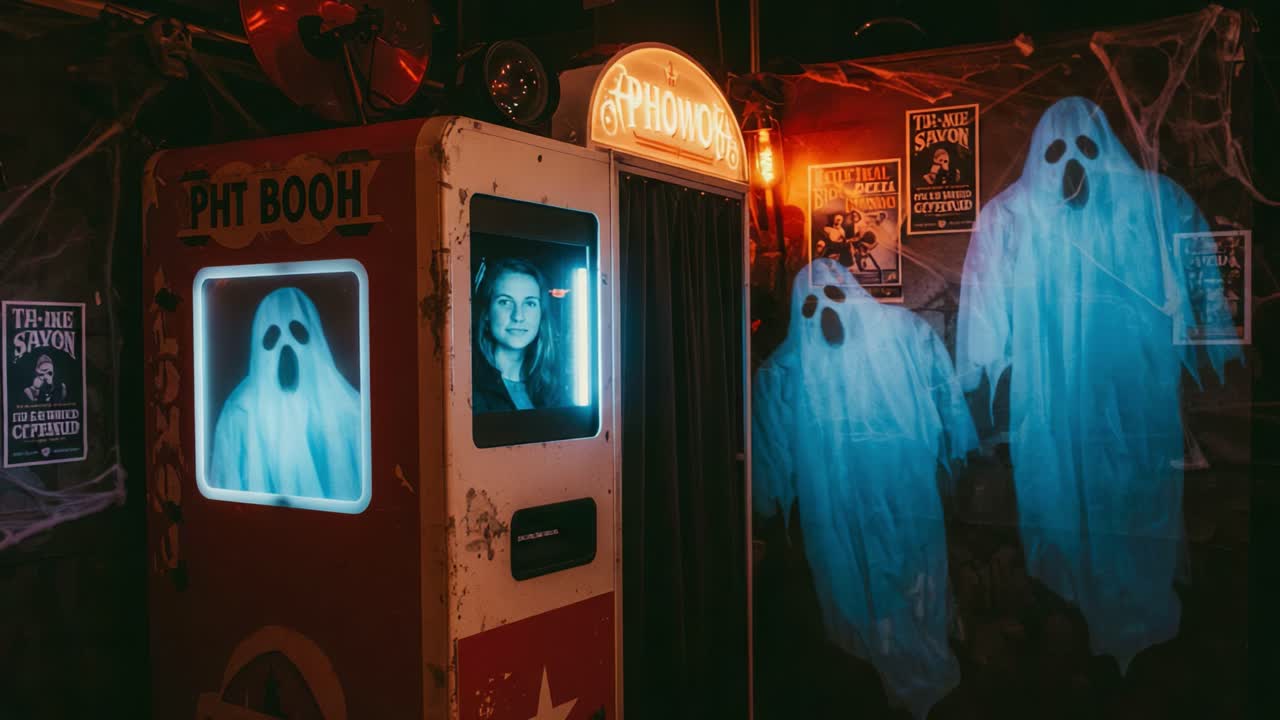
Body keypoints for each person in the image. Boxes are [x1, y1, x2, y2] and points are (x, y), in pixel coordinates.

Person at [472, 257, 568, 413]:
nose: (518, 316)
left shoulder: (552, 389)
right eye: (505, 302)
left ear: (541, 314)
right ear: (487, 313)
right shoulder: (466, 390)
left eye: (530, 303)